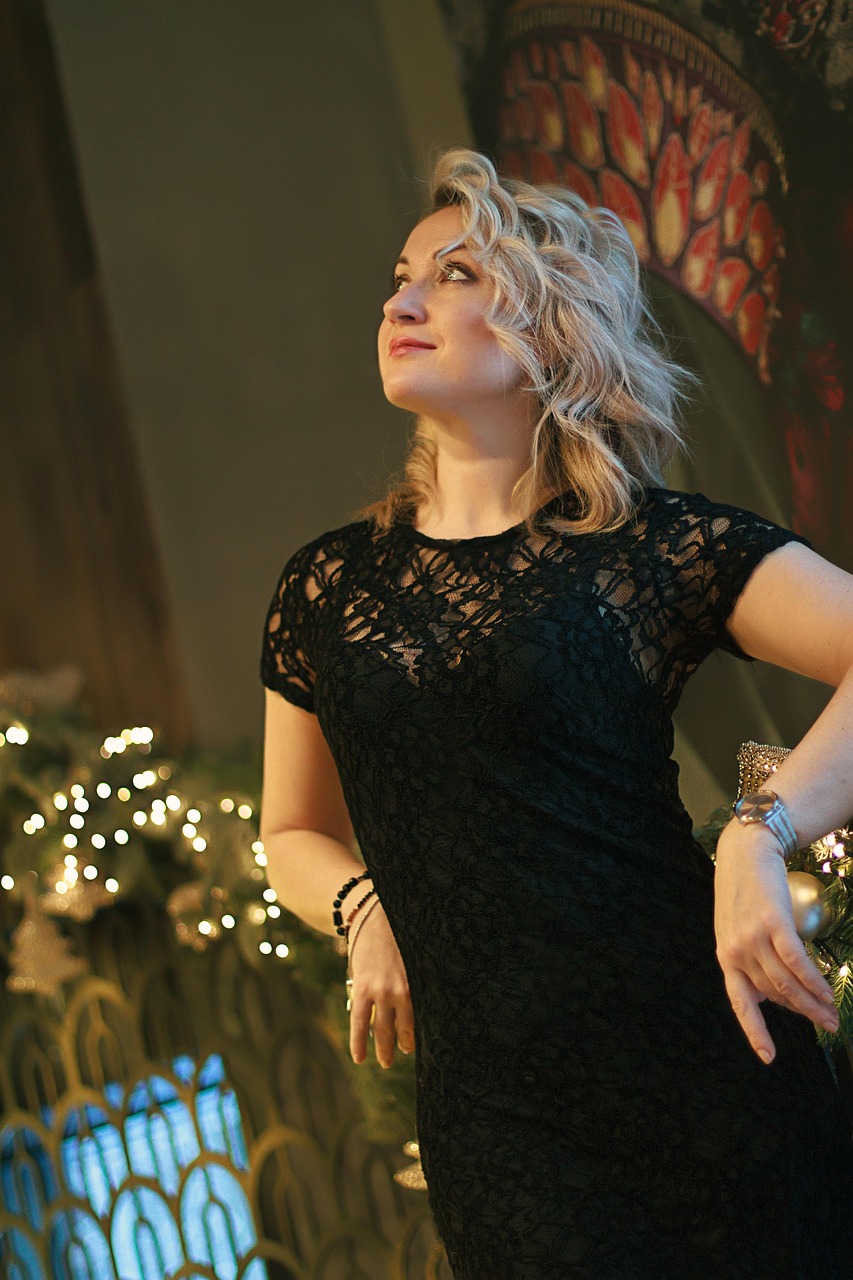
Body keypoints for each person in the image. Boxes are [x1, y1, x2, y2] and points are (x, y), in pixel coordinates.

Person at [258, 149, 853, 1278]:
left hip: (713, 1068)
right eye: (399, 278)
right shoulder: (325, 584)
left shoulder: (654, 546)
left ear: (553, 322)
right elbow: (288, 827)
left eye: (456, 274)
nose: (400, 302)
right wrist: (361, 903)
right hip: (498, 1120)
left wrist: (757, 831)